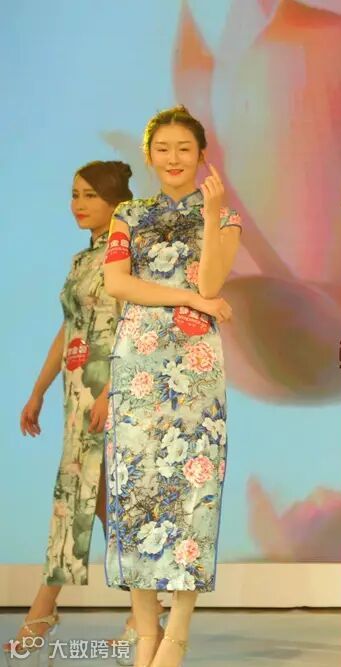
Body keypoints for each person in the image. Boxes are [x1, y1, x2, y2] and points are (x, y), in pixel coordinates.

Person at [5, 161, 163, 665]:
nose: (78, 204)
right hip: (78, 393)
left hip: (114, 392)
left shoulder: (128, 254)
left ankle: (43, 612)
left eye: (90, 195)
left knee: (86, 497)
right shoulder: (82, 259)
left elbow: (138, 326)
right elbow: (70, 327)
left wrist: (111, 391)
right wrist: (38, 390)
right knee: (91, 499)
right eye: (75, 194)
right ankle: (144, 613)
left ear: (116, 201)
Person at [103, 105, 241, 667]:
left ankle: (176, 636)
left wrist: (211, 217)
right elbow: (118, 283)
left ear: (202, 156)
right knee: (135, 487)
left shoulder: (226, 217)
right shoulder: (128, 215)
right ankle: (145, 636)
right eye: (163, 149)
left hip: (196, 365)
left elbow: (210, 282)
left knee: (192, 490)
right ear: (149, 155)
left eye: (185, 148)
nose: (174, 158)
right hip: (137, 362)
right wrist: (186, 298)